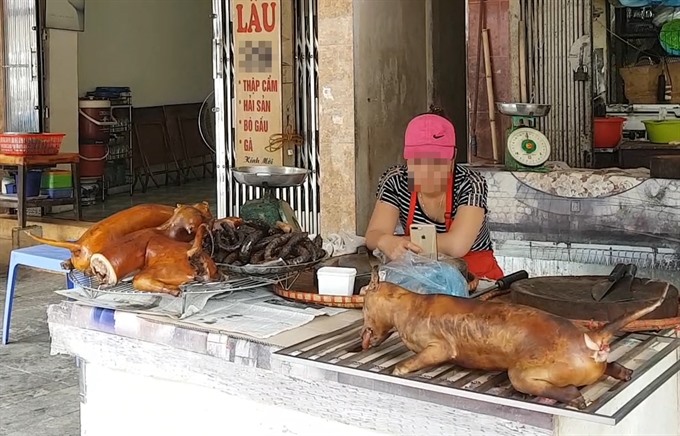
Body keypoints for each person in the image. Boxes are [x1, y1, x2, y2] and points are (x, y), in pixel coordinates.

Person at [365, 105, 504, 281]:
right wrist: (385, 241)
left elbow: (457, 245)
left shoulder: (470, 182)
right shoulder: (396, 180)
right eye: (419, 161)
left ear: (453, 158)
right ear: (407, 158)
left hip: (478, 278)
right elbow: (373, 234)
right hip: (421, 276)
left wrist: (405, 243)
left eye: (437, 161)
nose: (427, 170)